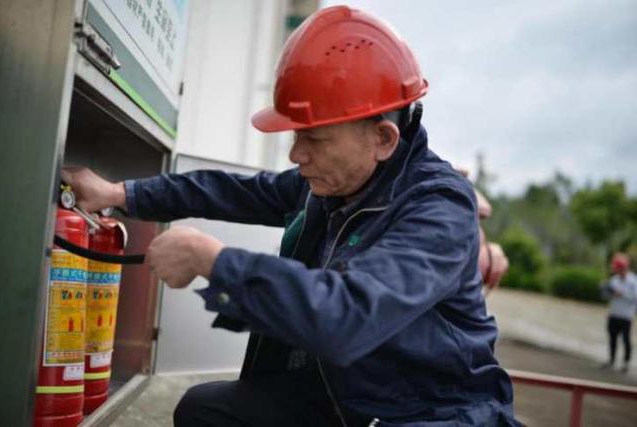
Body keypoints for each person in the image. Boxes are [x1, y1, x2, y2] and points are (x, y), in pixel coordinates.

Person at [63, 6, 517, 426]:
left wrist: (213, 260)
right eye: (296, 135)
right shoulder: (337, 182)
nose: (296, 154)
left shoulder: (438, 208)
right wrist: (119, 192)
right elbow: (232, 191)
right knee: (207, 411)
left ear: (383, 138)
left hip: (427, 414)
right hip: (345, 395)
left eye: (314, 140)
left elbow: (349, 315)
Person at [601, 253, 637, 373]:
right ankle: (611, 360)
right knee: (612, 338)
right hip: (614, 313)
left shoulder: (633, 281)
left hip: (626, 316)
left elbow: (635, 297)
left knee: (626, 340)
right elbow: (606, 296)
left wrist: (622, 294)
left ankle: (626, 363)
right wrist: (606, 291)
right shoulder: (614, 279)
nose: (617, 271)